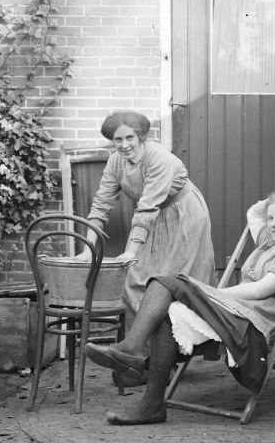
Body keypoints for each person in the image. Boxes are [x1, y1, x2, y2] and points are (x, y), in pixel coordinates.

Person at [84, 188, 275, 425]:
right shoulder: (268, 243)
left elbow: (260, 290)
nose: (273, 224)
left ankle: (131, 350)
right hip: (229, 311)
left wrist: (210, 293)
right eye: (271, 218)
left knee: (165, 282)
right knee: (165, 309)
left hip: (248, 324)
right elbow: (254, 212)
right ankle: (152, 405)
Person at [81, 111, 215, 318]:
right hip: (152, 217)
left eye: (129, 138)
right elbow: (101, 205)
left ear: (140, 137)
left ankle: (183, 343)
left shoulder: (158, 158)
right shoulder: (115, 162)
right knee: (135, 278)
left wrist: (131, 251)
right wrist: (88, 250)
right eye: (118, 139)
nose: (124, 145)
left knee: (179, 279)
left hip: (183, 215)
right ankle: (140, 346)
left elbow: (147, 207)